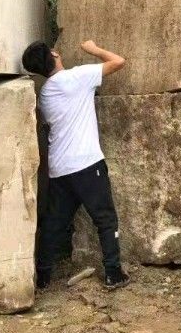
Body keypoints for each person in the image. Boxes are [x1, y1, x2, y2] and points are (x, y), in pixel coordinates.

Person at [22, 38, 130, 290]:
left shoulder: (45, 95)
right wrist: (93, 50)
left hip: (60, 169)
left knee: (54, 224)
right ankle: (113, 273)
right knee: (105, 220)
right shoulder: (77, 78)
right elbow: (118, 62)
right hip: (86, 163)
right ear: (54, 55)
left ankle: (43, 276)